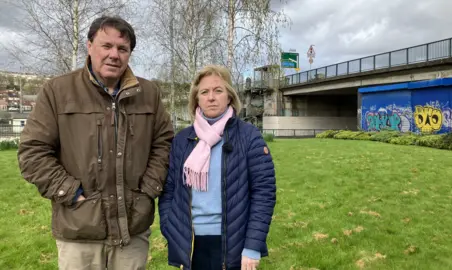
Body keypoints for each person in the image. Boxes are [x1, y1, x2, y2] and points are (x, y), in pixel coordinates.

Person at [17, 15, 174, 269]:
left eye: (123, 49)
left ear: (129, 54)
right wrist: (70, 192)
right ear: (89, 46)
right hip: (80, 230)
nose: (114, 54)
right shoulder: (57, 92)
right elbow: (32, 153)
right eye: (107, 46)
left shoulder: (148, 94)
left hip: (132, 229)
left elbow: (164, 144)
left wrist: (148, 188)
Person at [158, 65, 276, 270]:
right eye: (204, 92)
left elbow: (263, 193)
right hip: (192, 243)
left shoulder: (249, 137)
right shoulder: (182, 140)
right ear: (197, 98)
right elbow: (169, 190)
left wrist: (252, 246)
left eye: (218, 90)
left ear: (229, 96)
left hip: (234, 243)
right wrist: (171, 230)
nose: (211, 97)